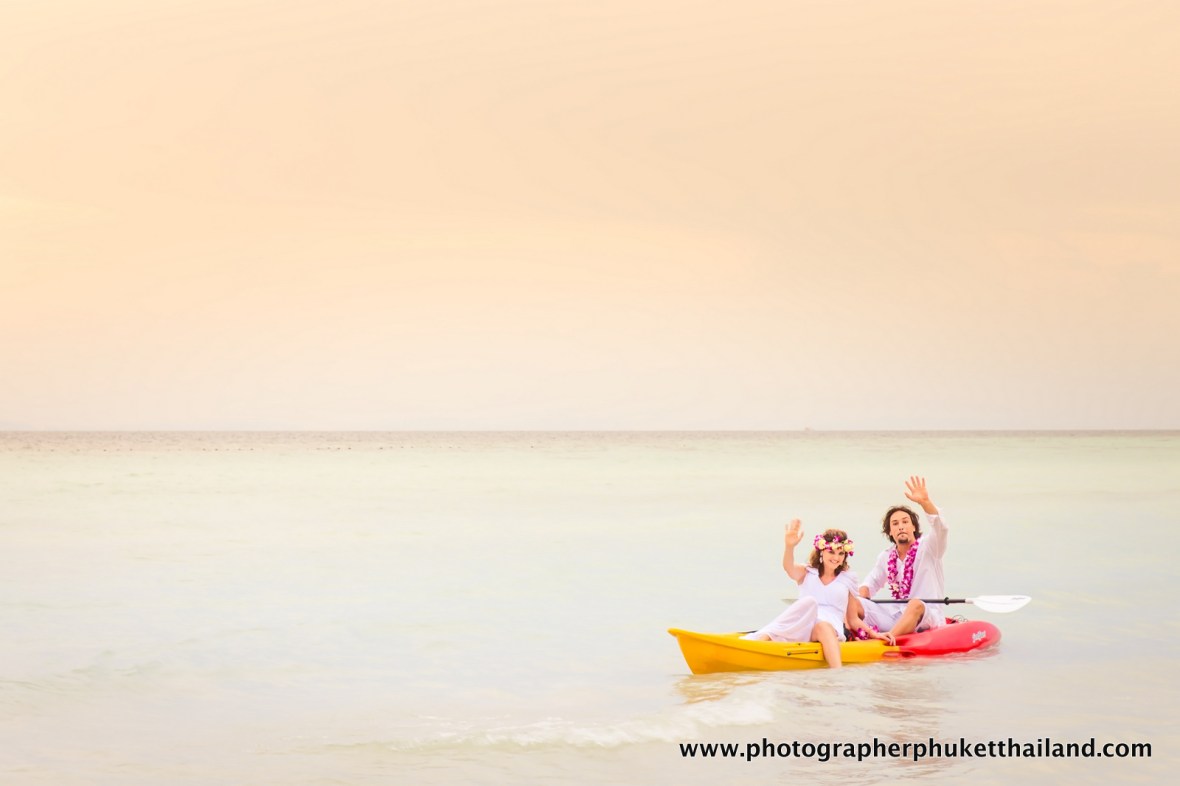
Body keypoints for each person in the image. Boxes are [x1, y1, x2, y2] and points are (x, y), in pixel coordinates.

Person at [744, 519, 893, 668]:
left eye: (841, 553)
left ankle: (837, 674)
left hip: (828, 628)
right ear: (821, 551)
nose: (836, 557)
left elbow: (853, 619)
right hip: (802, 623)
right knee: (809, 602)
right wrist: (789, 547)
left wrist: (874, 634)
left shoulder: (848, 578)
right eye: (831, 552)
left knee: (823, 626)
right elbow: (789, 568)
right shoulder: (807, 572)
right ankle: (760, 641)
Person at [855, 476, 949, 638]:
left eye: (905, 522)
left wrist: (925, 502)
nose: (901, 527)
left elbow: (941, 528)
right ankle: (847, 635)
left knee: (915, 604)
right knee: (852, 601)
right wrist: (857, 599)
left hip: (927, 615)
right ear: (890, 532)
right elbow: (870, 584)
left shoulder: (930, 547)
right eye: (895, 524)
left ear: (914, 526)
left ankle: (887, 640)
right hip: (896, 615)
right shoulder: (886, 557)